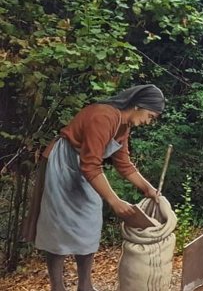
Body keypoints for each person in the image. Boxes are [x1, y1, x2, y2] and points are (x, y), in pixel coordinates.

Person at [23, 84, 164, 291]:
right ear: (137, 106)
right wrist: (114, 200)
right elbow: (90, 165)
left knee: (90, 222)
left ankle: (85, 285)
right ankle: (57, 286)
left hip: (85, 168)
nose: (149, 122)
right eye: (150, 116)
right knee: (58, 226)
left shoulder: (124, 126)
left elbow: (123, 164)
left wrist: (148, 188)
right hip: (62, 165)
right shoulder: (103, 116)